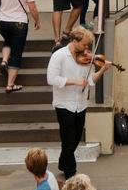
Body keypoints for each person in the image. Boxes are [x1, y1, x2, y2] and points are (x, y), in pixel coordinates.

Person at [47, 26, 112, 180]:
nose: (86, 49)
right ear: (74, 41)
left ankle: (63, 162)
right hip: (64, 104)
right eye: (84, 45)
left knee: (75, 138)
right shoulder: (59, 56)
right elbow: (51, 79)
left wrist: (102, 70)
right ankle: (71, 172)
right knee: (68, 138)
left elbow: (89, 81)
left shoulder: (84, 58)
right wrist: (74, 82)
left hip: (81, 104)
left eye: (88, 46)